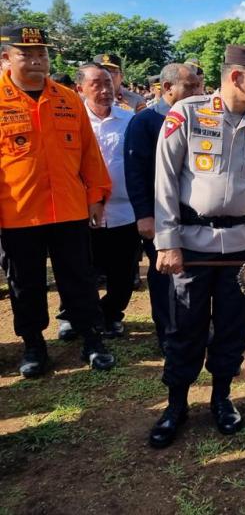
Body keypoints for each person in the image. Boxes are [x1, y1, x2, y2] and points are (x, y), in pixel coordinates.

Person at [150, 45, 245, 448]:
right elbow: (165, 181)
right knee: (184, 328)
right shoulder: (186, 114)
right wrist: (167, 242)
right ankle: (176, 404)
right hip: (191, 246)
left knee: (231, 328)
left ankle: (221, 399)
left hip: (242, 249)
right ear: (237, 77)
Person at [0, 24, 116, 376]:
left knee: (79, 278)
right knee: (25, 282)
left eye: (42, 53)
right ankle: (34, 345)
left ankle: (92, 340)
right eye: (26, 53)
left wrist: (97, 197)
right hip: (17, 213)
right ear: (6, 58)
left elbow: (89, 155)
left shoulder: (68, 99)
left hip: (69, 209)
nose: (37, 60)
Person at [124, 63, 201, 347]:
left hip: (191, 217)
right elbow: (135, 172)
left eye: (198, 86)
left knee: (189, 276)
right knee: (164, 278)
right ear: (167, 88)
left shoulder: (198, 119)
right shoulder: (144, 122)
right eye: (190, 87)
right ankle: (168, 335)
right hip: (157, 216)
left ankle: (192, 331)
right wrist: (144, 215)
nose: (197, 92)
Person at [76, 63, 140, 338]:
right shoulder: (73, 120)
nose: (105, 91)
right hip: (83, 210)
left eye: (108, 84)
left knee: (123, 274)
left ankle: (112, 314)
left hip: (125, 210)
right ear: (80, 89)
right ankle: (80, 317)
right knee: (81, 271)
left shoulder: (129, 120)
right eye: (96, 85)